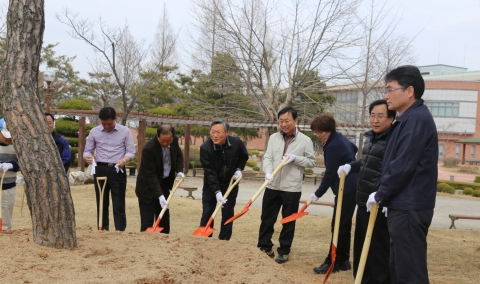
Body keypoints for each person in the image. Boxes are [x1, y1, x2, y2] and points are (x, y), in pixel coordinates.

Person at [367, 65, 438, 284]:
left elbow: (403, 164)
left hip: (410, 204)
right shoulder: (405, 119)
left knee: (410, 272)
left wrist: (381, 193)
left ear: (409, 90)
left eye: (390, 89)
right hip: (402, 203)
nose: (386, 95)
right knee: (399, 266)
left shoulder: (416, 119)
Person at [338, 99, 395, 283]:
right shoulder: (371, 139)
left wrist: (382, 195)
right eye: (372, 115)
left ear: (391, 118)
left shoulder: (393, 141)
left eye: (380, 116)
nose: (375, 120)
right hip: (364, 202)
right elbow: (367, 163)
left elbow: (393, 171)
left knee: (378, 248)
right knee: (362, 244)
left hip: (379, 204)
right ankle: (362, 279)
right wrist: (350, 166)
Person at [258, 107, 316, 264]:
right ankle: (264, 246)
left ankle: (283, 251)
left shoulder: (305, 140)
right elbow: (268, 157)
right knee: (267, 218)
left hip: (291, 188)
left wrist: (295, 158)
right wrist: (268, 172)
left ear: (296, 121)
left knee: (288, 220)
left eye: (287, 121)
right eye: (281, 121)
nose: (283, 124)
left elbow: (311, 161)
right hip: (272, 185)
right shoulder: (274, 138)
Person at [310, 114, 358, 274]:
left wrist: (317, 194)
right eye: (316, 132)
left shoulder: (333, 146)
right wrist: (348, 160)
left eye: (321, 132)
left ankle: (332, 262)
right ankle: (343, 260)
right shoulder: (338, 138)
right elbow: (354, 148)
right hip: (350, 188)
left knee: (338, 225)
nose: (318, 135)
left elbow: (330, 174)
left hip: (347, 189)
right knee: (342, 225)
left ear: (329, 130)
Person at [83, 107, 136, 231]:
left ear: (115, 119)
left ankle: (120, 231)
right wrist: (88, 157)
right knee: (102, 202)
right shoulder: (94, 132)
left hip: (117, 169)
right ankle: (102, 229)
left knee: (118, 204)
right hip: (100, 169)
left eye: (109, 123)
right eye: (103, 123)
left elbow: (131, 152)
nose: (106, 126)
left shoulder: (125, 131)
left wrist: (124, 160)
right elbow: (87, 151)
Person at [199, 119, 249, 241]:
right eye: (212, 132)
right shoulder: (205, 148)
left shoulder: (236, 143)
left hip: (230, 184)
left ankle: (224, 242)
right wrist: (217, 191)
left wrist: (238, 169)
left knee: (227, 214)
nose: (215, 135)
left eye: (218, 132)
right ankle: (205, 240)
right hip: (211, 186)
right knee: (208, 212)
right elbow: (209, 171)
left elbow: (244, 156)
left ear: (227, 132)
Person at [135, 124, 184, 234]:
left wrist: (179, 170)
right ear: (157, 137)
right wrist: (160, 196)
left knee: (164, 220)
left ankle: (164, 244)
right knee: (147, 221)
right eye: (163, 141)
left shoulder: (174, 141)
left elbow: (179, 155)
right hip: (147, 188)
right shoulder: (149, 149)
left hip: (165, 184)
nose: (166, 143)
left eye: (168, 140)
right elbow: (151, 175)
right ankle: (145, 243)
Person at [0, 119, 20, 231]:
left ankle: (6, 229)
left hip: (9, 183)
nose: (8, 139)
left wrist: (13, 165)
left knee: (7, 206)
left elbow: (25, 163)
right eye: (5, 135)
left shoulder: (17, 146)